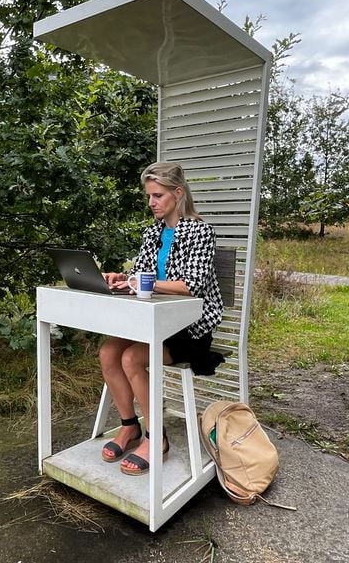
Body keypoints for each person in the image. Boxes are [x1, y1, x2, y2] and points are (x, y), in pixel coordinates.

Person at [98, 161, 224, 476]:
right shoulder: (153, 232)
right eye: (149, 196)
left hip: (190, 329)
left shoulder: (200, 230)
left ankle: (158, 438)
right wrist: (122, 279)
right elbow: (140, 273)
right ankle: (130, 427)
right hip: (155, 322)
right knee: (108, 352)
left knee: (131, 359)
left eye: (157, 195)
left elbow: (191, 285)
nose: (151, 202)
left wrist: (147, 283)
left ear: (177, 193)